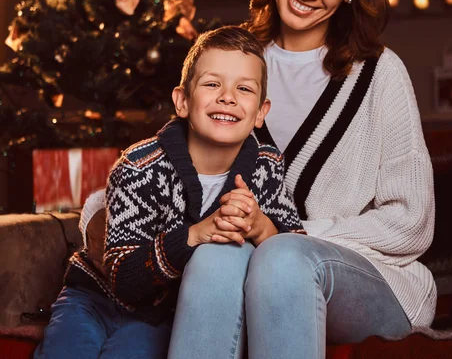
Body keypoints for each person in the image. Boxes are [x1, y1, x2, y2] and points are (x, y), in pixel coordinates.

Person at [168, 0, 436, 359]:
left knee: (283, 257)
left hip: (374, 281)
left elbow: (411, 221)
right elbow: (165, 162)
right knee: (213, 257)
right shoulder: (232, 60)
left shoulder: (379, 73)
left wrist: (297, 234)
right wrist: (99, 211)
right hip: (255, 265)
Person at [102, 26, 304, 346]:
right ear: (182, 101)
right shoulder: (140, 167)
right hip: (103, 303)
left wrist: (260, 225)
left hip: (178, 315)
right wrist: (195, 234)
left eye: (244, 89)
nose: (228, 97)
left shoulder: (267, 165)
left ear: (260, 114)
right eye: (212, 84)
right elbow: (122, 280)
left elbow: (297, 254)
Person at [34, 189, 171, 359]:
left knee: (133, 351)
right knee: (65, 345)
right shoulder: (80, 290)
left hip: (149, 313)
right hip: (87, 297)